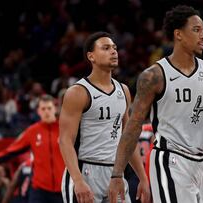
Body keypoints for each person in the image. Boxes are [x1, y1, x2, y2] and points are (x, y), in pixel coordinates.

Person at [109, 5, 203, 203]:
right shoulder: (154, 76)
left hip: (201, 163)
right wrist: (117, 174)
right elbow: (133, 126)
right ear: (178, 34)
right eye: (197, 30)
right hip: (170, 159)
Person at [59, 31, 150, 203]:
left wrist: (143, 177)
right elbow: (65, 140)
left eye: (114, 48)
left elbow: (128, 139)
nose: (113, 51)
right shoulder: (78, 92)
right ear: (91, 56)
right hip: (85, 170)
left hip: (115, 173)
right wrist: (78, 181)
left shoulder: (123, 90)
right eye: (106, 48)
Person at [0, 94, 64, 203]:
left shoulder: (64, 129)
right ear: (38, 111)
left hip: (61, 190)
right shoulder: (32, 131)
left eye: (49, 108)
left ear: (55, 108)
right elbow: (10, 152)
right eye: (43, 109)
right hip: (39, 190)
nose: (46, 112)